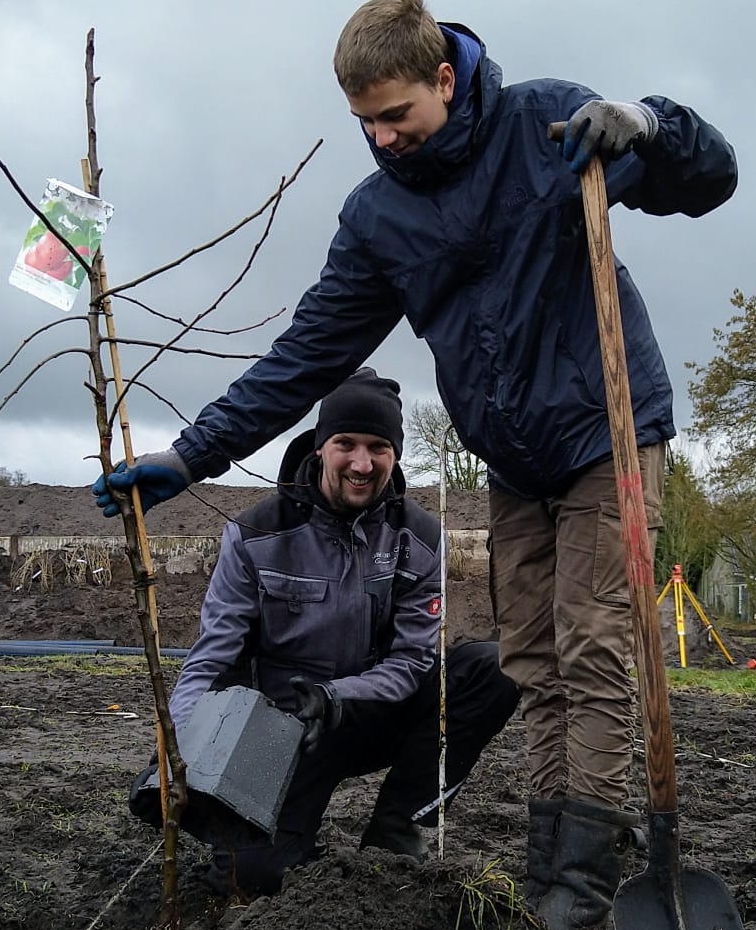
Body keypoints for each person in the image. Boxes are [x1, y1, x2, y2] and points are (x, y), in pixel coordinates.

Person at [98, 0, 737, 930]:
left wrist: (645, 124)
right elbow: (303, 356)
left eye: (397, 116)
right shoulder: (378, 216)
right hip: (513, 459)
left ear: (445, 78)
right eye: (365, 124)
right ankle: (548, 858)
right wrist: (192, 453)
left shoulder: (545, 122)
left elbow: (707, 179)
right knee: (533, 661)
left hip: (603, 424)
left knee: (596, 643)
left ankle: (583, 882)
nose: (384, 140)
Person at [129, 368, 519, 896]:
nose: (362, 463)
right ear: (319, 447)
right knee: (252, 880)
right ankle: (290, 842)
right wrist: (175, 746)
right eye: (346, 444)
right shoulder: (254, 534)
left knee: (492, 667)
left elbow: (411, 662)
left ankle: (397, 831)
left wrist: (337, 697)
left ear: (395, 454)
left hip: (373, 711)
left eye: (379, 447)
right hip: (283, 733)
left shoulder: (422, 539)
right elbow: (212, 658)